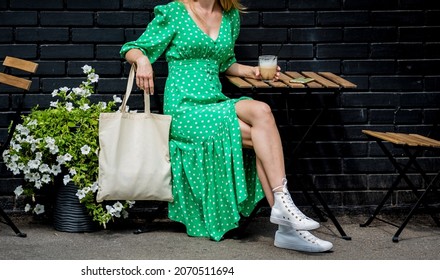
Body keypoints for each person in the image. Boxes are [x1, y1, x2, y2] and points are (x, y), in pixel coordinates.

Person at [120, 0, 333, 252]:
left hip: (215, 102)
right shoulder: (174, 12)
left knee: (261, 113)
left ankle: (284, 217)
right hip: (185, 109)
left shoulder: (230, 16)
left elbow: (224, 63)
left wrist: (251, 71)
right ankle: (287, 224)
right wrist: (143, 60)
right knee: (259, 132)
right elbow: (131, 48)